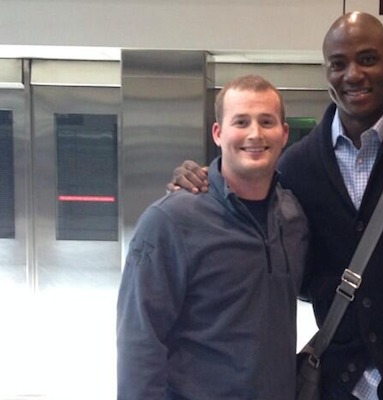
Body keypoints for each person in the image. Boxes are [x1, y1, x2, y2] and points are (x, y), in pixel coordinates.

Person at [169, 12, 383, 400]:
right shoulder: (297, 165)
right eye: (338, 64)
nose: (353, 74)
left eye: (367, 59)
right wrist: (203, 177)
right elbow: (246, 202)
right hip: (340, 380)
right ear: (326, 72)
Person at [117, 74, 309, 400]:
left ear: (284, 133)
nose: (255, 133)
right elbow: (140, 340)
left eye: (266, 121)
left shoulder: (293, 218)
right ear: (218, 133)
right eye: (241, 121)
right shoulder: (170, 221)